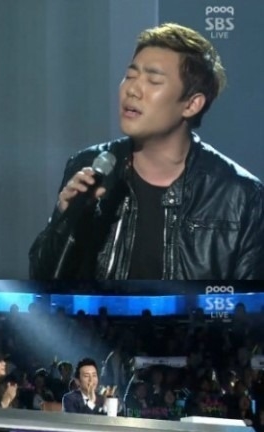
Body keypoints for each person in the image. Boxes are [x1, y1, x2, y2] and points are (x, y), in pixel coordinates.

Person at [29, 23, 264, 280]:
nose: (132, 90)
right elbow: (43, 282)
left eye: (153, 81)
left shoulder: (241, 196)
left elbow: (250, 300)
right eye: (130, 76)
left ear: (191, 104)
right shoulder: (90, 166)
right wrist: (66, 221)